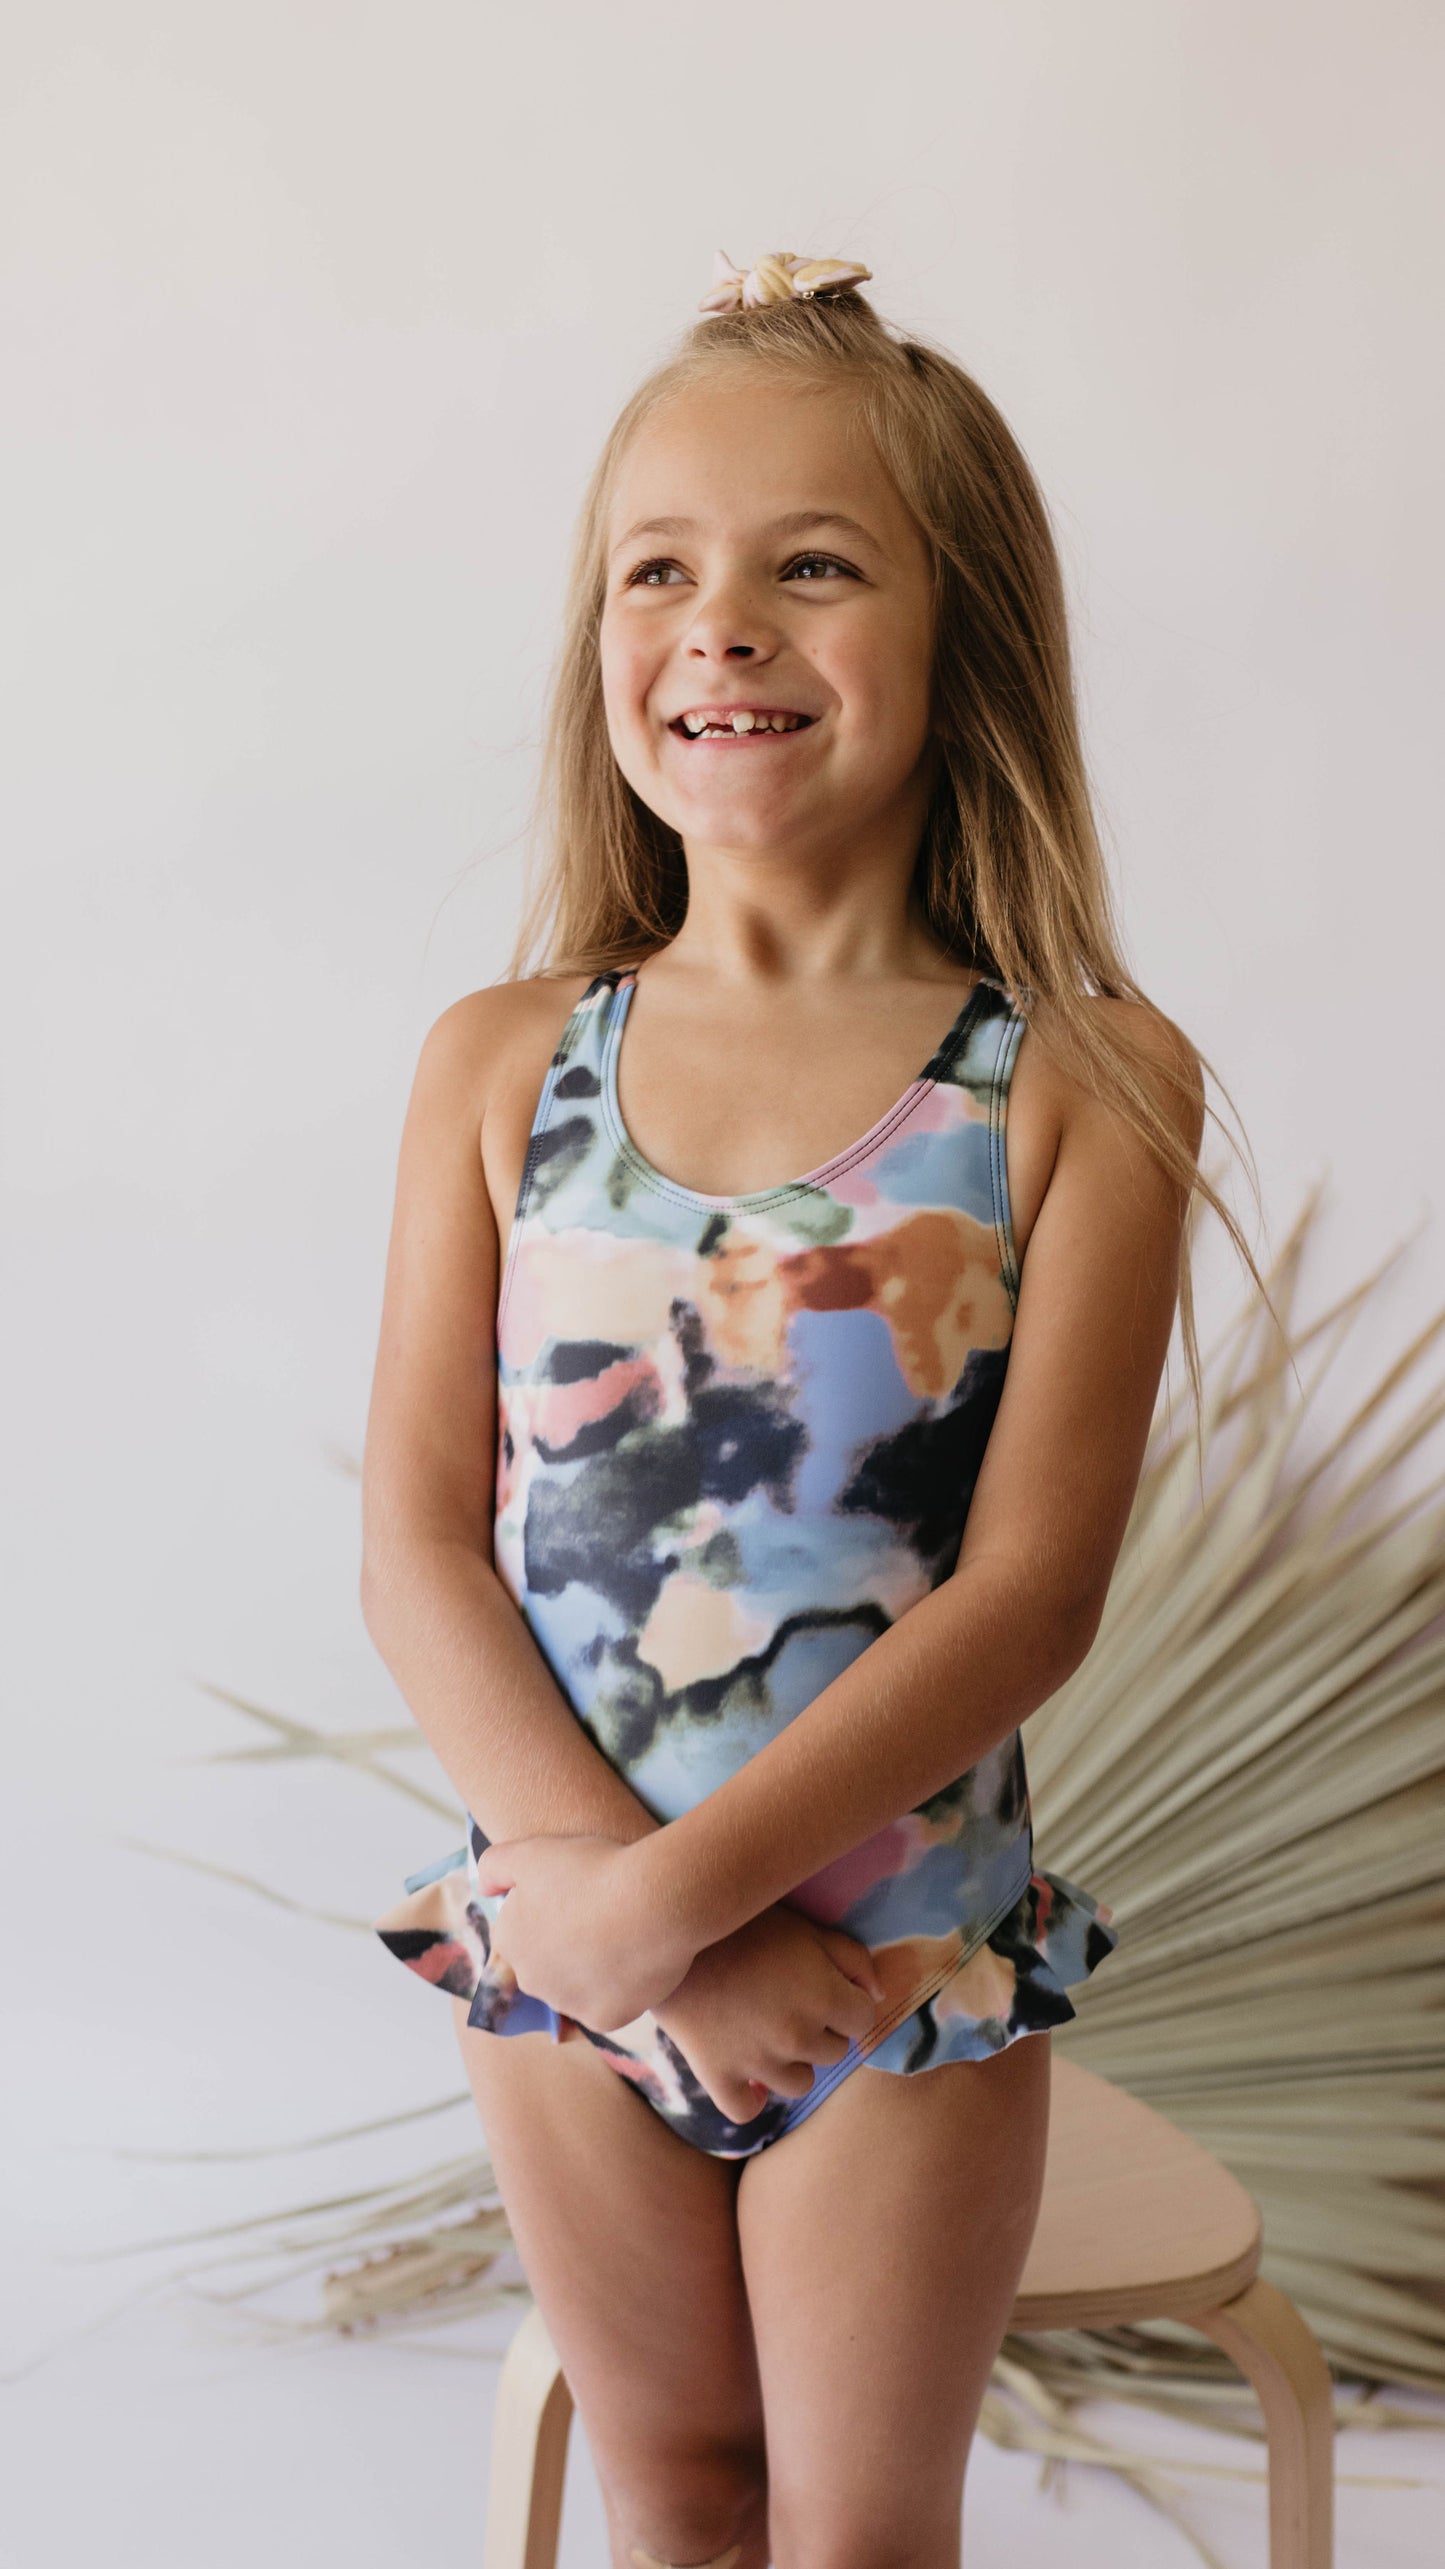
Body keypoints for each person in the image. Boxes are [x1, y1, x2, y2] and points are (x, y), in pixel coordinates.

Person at [362, 253, 1225, 2569]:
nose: (721, 625)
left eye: (813, 564)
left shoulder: (1078, 1083)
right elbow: (422, 1546)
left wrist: (706, 1910)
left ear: (967, 643)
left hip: (896, 1970)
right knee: (682, 2497)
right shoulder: (499, 1062)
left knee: (847, 2533)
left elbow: (1032, 1593)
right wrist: (625, 1923)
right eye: (663, 569)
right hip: (563, 1949)